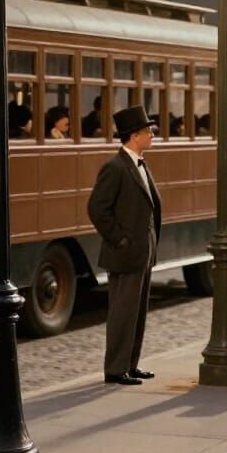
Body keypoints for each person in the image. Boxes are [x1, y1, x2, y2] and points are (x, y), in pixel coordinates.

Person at [86, 105, 162, 386]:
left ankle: (130, 364)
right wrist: (120, 238)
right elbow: (97, 209)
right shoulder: (115, 167)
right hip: (125, 252)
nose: (152, 135)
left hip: (144, 251)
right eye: (148, 131)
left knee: (137, 312)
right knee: (122, 313)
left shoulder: (140, 163)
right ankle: (116, 369)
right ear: (134, 136)